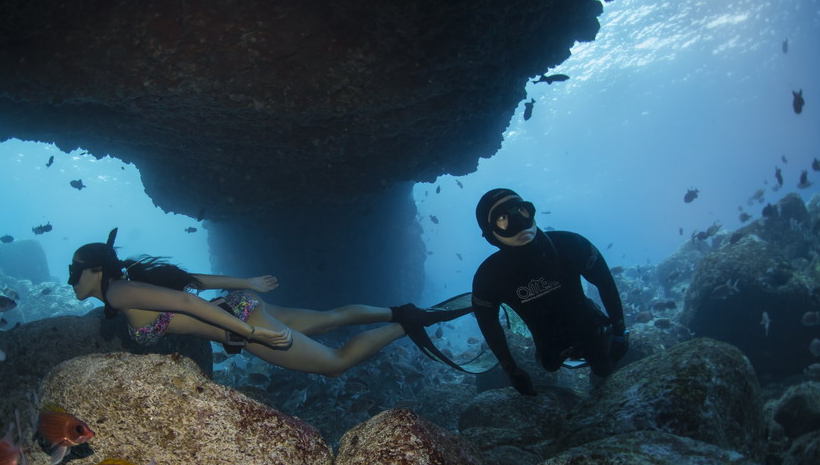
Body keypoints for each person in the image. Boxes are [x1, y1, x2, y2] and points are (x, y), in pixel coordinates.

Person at [68, 228, 441, 378]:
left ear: (96, 271)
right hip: (240, 306)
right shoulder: (128, 284)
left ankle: (407, 325)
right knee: (329, 320)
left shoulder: (119, 291)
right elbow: (193, 282)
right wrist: (246, 283)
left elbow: (185, 299)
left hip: (243, 324)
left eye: (74, 272)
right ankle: (402, 311)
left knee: (334, 364)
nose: (71, 279)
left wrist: (250, 334)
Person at [471, 188, 628, 395]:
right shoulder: (489, 278)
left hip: (590, 328)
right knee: (550, 364)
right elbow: (488, 322)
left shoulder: (572, 245)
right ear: (490, 233)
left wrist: (619, 330)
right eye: (503, 218)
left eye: (522, 211)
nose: (518, 222)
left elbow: (605, 282)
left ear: (531, 211)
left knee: (603, 367)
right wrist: (512, 369)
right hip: (549, 346)